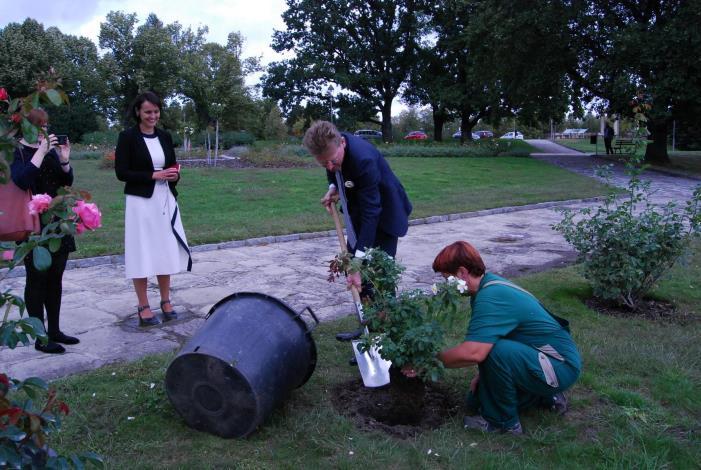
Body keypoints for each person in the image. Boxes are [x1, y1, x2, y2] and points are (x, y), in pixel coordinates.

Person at [427, 241, 581, 434]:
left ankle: (503, 423)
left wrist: (429, 362)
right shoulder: (486, 287)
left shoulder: (491, 296)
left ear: (461, 272)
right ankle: (545, 397)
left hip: (559, 365)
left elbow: (473, 352)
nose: (445, 284)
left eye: (446, 277)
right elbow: (495, 336)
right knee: (475, 400)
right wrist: (484, 375)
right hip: (546, 359)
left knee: (494, 352)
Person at [303, 121, 413, 341]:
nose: (329, 167)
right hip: (360, 217)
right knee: (357, 276)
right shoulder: (333, 150)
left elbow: (372, 212)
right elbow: (333, 172)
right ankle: (367, 328)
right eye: (323, 164)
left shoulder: (363, 159)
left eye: (332, 161)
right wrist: (333, 188)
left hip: (384, 218)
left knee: (378, 277)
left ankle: (384, 338)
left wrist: (358, 264)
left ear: (342, 143)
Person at [115, 91, 191, 327]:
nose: (153, 116)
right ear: (138, 112)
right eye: (148, 111)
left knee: (164, 249)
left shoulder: (165, 136)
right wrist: (153, 175)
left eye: (156, 111)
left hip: (164, 199)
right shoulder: (127, 137)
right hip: (140, 202)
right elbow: (122, 172)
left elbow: (171, 164)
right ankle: (143, 305)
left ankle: (166, 301)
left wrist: (173, 174)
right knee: (142, 250)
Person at [10, 108, 79, 354]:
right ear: (26, 127)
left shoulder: (48, 149)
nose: (44, 130)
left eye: (46, 125)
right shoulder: (17, 151)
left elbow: (65, 183)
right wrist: (39, 151)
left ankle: (55, 330)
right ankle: (40, 337)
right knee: (37, 278)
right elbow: (22, 180)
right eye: (39, 126)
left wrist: (64, 159)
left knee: (56, 277)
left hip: (56, 221)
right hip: (32, 223)